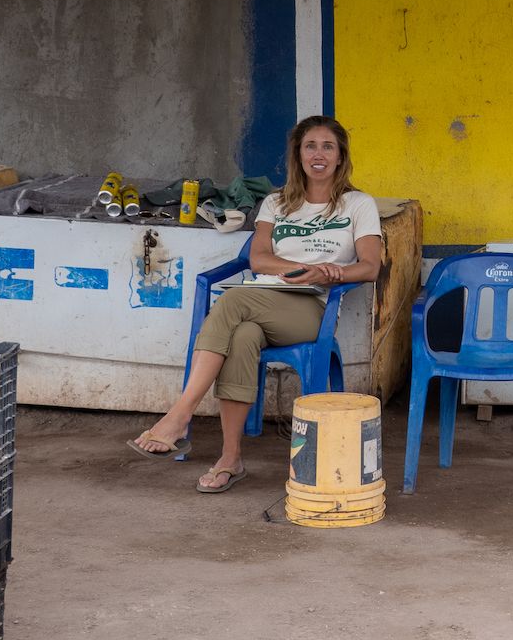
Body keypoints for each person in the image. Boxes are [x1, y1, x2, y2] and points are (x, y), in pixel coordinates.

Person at [129, 116, 384, 492]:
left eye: (327, 146)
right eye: (310, 146)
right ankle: (230, 459)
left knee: (232, 302)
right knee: (243, 336)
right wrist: (302, 266)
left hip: (312, 307)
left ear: (340, 156)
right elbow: (260, 259)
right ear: (297, 154)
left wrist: (329, 274)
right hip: (263, 298)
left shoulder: (358, 204)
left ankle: (179, 417)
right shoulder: (276, 203)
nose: (318, 154)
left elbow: (370, 266)